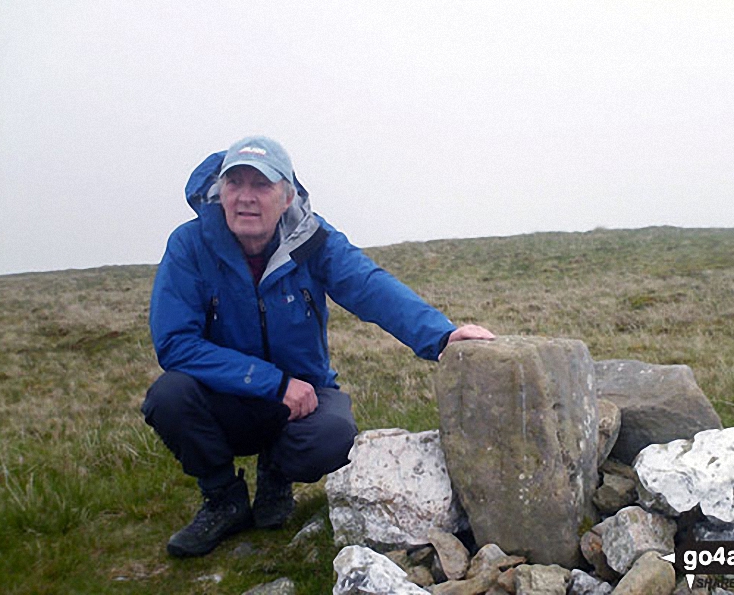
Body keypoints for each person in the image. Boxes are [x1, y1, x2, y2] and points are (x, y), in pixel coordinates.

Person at [142, 135, 495, 557]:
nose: (246, 198)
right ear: (220, 192)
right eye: (235, 184)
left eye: (262, 185)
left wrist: (440, 336)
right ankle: (223, 499)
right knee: (169, 397)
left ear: (287, 194)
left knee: (332, 436)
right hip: (228, 395)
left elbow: (370, 287)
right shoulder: (190, 245)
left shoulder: (313, 240)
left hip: (303, 397)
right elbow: (175, 344)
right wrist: (273, 383)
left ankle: (277, 472)